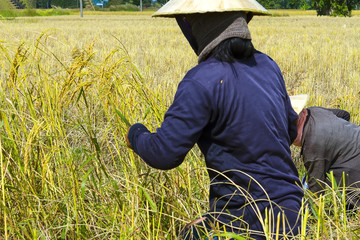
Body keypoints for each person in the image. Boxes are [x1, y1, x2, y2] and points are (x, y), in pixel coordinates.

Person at [126, 0, 303, 239]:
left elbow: (164, 153)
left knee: (187, 234)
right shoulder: (268, 66)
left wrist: (136, 134)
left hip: (245, 222)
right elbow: (291, 131)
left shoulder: (201, 80)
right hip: (293, 216)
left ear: (198, 26)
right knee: (197, 228)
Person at [293, 106, 360, 207]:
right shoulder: (313, 111)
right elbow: (344, 114)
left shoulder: (312, 145)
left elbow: (316, 192)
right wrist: (340, 138)